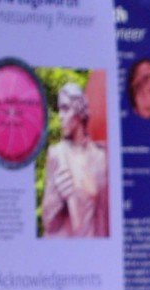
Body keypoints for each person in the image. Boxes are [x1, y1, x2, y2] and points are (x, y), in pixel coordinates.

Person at [40, 81, 109, 238]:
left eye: (65, 109)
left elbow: (102, 216)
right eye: (60, 110)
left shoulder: (100, 158)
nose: (60, 116)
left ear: (79, 111)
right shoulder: (57, 154)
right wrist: (57, 197)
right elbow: (48, 222)